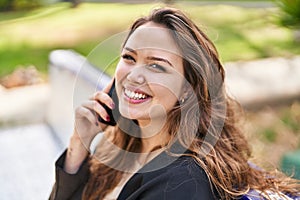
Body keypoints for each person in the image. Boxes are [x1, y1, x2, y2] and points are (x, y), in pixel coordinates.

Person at [49, 7, 300, 200]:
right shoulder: (118, 148)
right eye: (129, 57)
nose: (133, 75)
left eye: (156, 65)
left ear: (188, 89)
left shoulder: (183, 182)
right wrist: (78, 144)